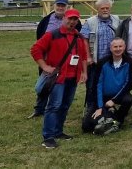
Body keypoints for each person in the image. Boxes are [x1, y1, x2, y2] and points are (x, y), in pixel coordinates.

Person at [30, 8, 88, 149]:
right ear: (64, 19)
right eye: (70, 19)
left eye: (75, 19)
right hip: (58, 78)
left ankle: (58, 131)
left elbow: (83, 56)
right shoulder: (52, 34)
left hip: (72, 77)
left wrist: (84, 72)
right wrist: (44, 66)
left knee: (65, 106)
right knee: (54, 106)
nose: (72, 22)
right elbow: (35, 49)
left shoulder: (79, 37)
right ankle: (48, 137)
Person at [30, 0, 78, 119]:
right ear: (54, 6)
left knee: (62, 85)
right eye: (58, 5)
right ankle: (39, 108)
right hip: (48, 60)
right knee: (45, 84)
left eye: (63, 6)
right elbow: (39, 39)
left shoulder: (74, 21)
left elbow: (77, 39)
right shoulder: (46, 21)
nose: (60, 8)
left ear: (67, 7)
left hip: (65, 60)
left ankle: (56, 107)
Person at [80, 0, 121, 132]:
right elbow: (84, 40)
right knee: (92, 86)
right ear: (97, 9)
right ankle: (91, 109)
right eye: (102, 8)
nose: (105, 10)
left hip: (111, 61)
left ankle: (108, 109)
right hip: (96, 61)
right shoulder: (91, 22)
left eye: (107, 8)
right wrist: (88, 56)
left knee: (109, 86)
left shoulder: (116, 20)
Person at [91, 38, 132, 135]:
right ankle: (110, 116)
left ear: (124, 48)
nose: (118, 49)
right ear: (111, 48)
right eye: (115, 46)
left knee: (129, 100)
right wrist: (100, 106)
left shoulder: (129, 62)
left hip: (119, 96)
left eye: (120, 46)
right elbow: (98, 85)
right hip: (103, 97)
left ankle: (118, 120)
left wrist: (114, 100)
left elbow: (128, 84)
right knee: (87, 126)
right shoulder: (102, 62)